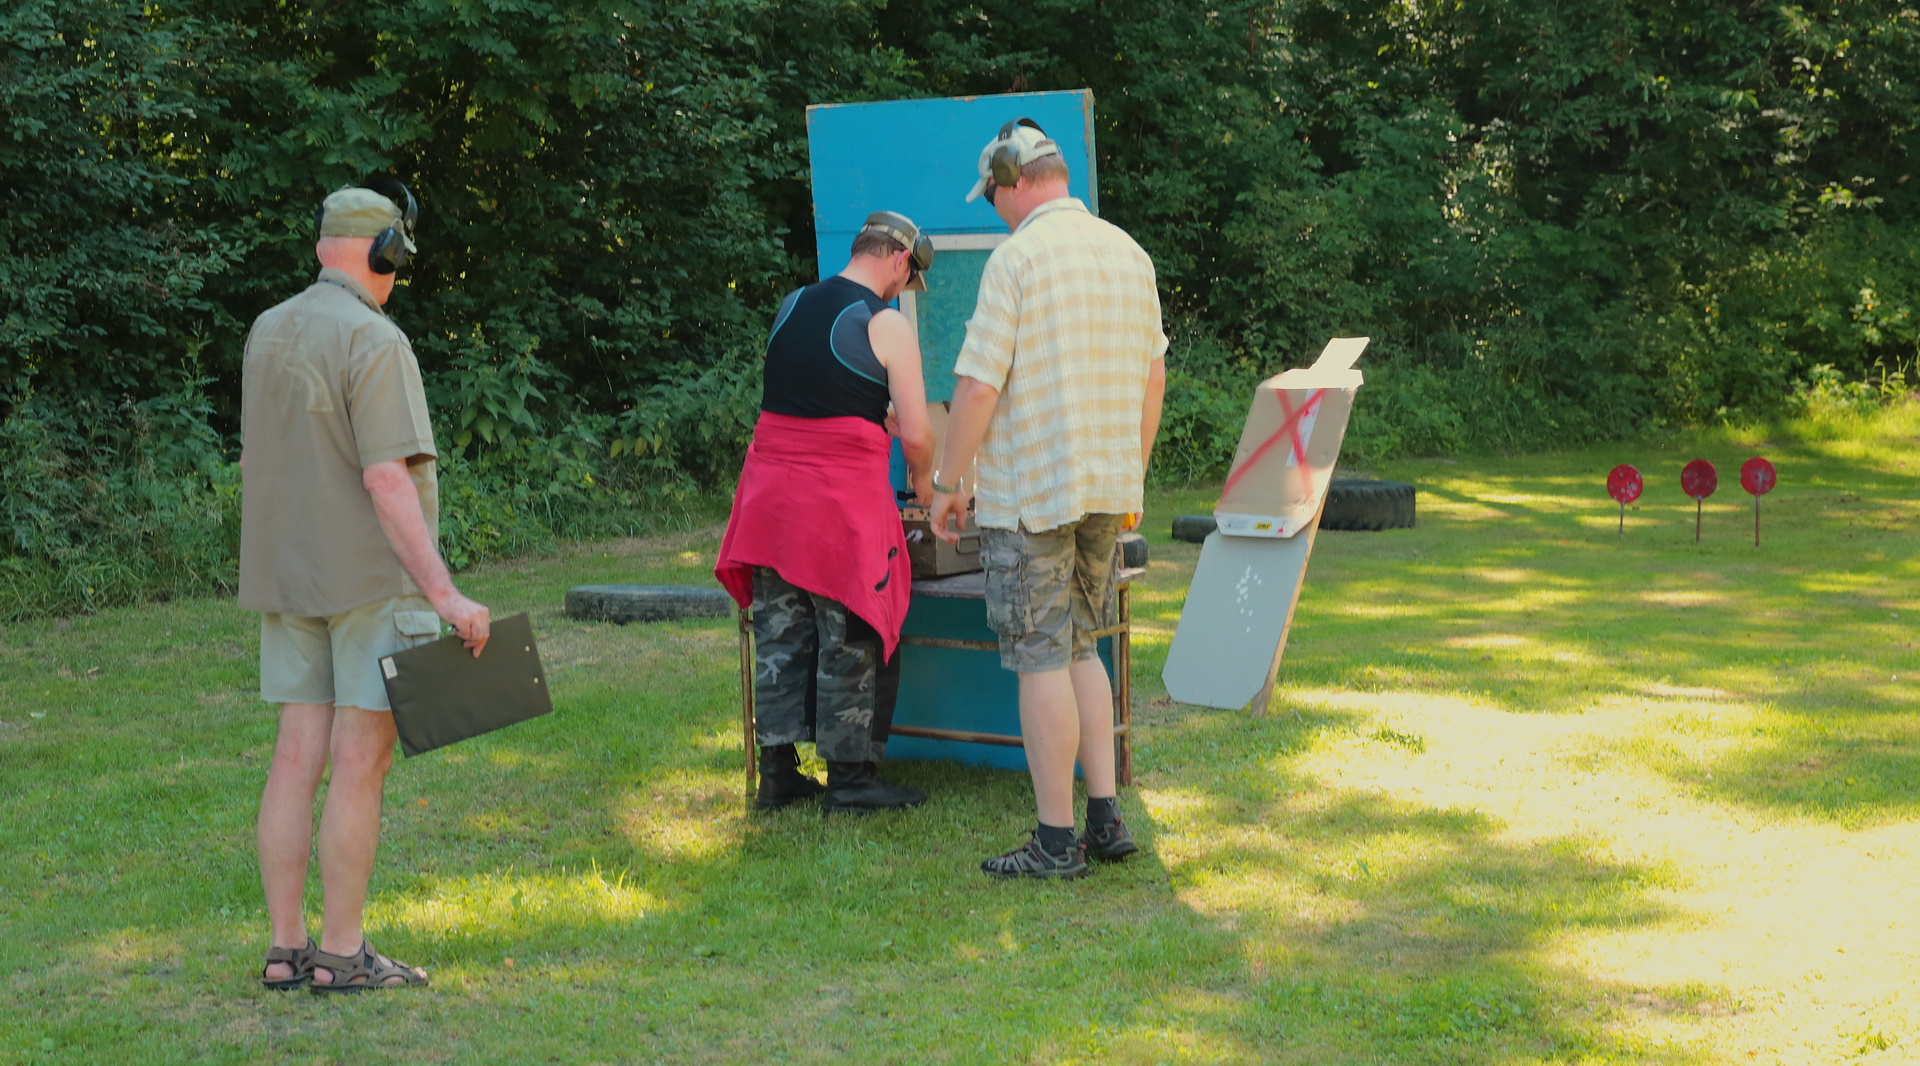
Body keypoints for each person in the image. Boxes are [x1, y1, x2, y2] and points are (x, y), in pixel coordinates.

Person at [242, 180, 490, 992]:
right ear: (388, 254)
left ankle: (286, 949)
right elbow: (387, 479)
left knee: (294, 756)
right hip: (370, 580)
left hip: (288, 574)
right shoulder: (376, 341)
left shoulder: (269, 329)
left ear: (323, 247)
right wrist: (445, 596)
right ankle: (343, 955)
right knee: (359, 761)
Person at [929, 121, 1169, 879]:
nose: (994, 208)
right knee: (1082, 648)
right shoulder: (1129, 253)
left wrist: (948, 484)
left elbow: (977, 386)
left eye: (993, 194)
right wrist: (1133, 474)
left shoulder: (1018, 258)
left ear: (1015, 180)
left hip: (1032, 493)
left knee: (1039, 659)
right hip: (1106, 490)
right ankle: (1105, 815)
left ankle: (1056, 843)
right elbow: (1154, 377)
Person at [714, 212, 938, 814]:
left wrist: (872, 417)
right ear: (899, 260)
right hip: (837, 508)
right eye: (907, 279)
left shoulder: (792, 305)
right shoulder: (885, 322)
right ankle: (850, 779)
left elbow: (810, 399)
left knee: (780, 634)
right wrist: (923, 484)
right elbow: (918, 434)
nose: (902, 290)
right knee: (851, 633)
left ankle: (778, 775)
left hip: (770, 504)